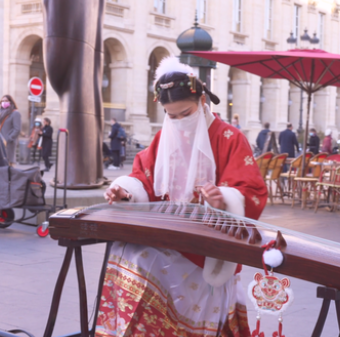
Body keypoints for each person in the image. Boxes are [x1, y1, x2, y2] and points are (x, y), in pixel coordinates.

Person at [97, 57, 268, 337]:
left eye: (185, 113)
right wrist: (126, 191)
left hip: (206, 245)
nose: (178, 122)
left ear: (202, 101)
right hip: (169, 233)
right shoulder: (164, 137)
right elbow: (144, 177)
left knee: (143, 263)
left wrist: (223, 200)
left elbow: (252, 190)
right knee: (124, 252)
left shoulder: (229, 137)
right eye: (171, 116)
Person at [0, 94, 21, 166]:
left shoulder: (15, 113)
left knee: (9, 163)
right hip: (1, 142)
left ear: (10, 102)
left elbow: (17, 129)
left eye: (6, 101)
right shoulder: (1, 113)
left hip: (8, 143)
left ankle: (10, 176)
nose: (4, 102)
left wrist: (9, 138)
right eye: (2, 101)